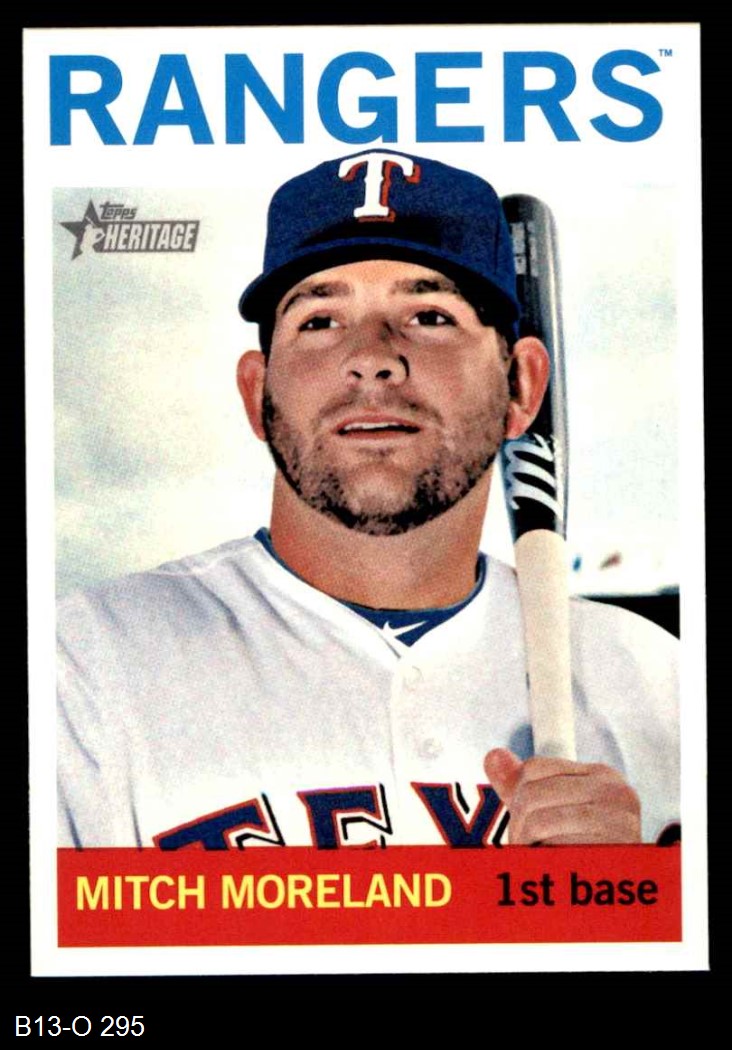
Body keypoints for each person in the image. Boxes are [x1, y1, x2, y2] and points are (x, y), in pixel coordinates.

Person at [57, 150, 679, 850]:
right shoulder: (85, 669)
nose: (373, 358)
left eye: (429, 315)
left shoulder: (656, 685)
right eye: (320, 320)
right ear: (257, 393)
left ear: (522, 387)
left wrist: (640, 894)